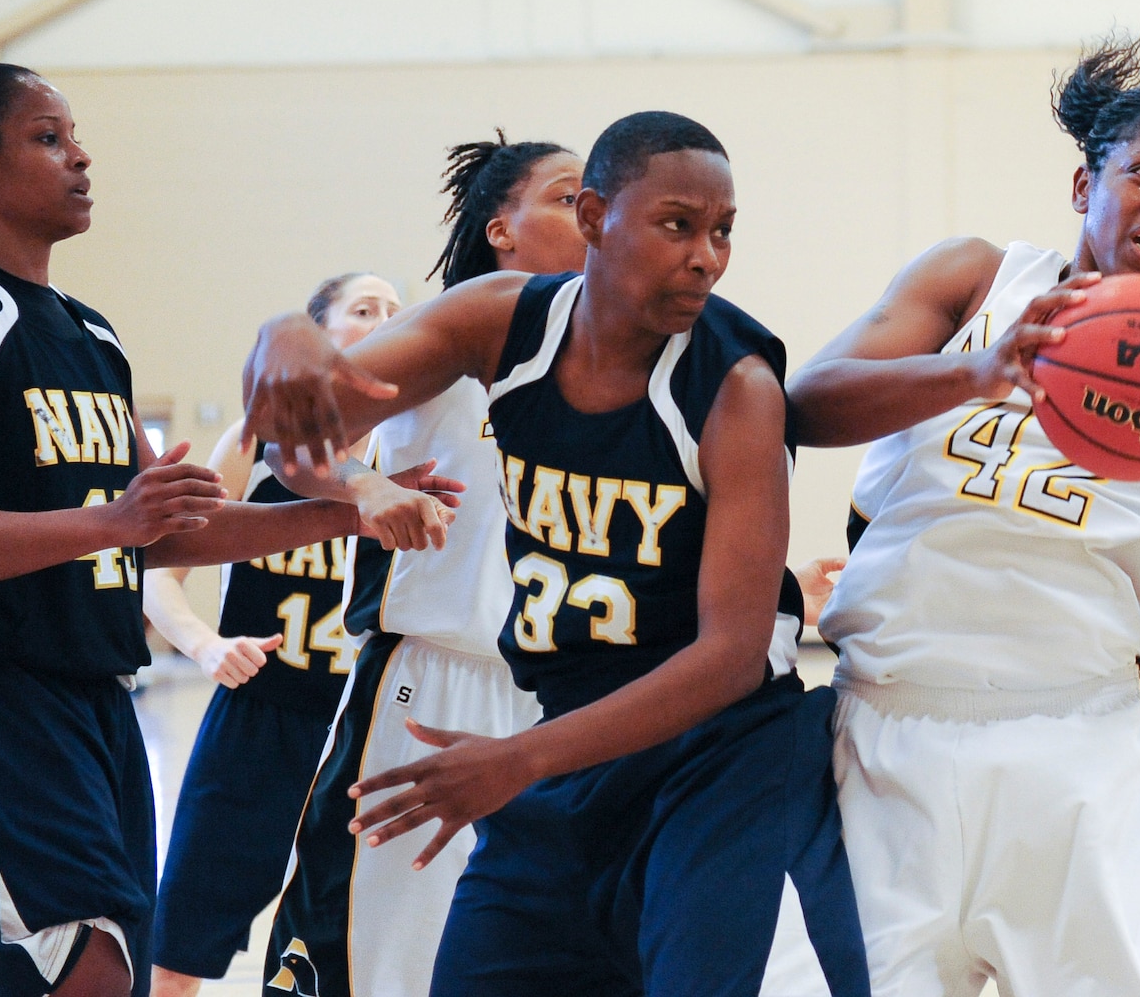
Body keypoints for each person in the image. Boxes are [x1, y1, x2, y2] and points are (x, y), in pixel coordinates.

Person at [0, 63, 454, 997]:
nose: (80, 155)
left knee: (115, 972)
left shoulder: (95, 337)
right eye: (48, 138)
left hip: (90, 695)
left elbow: (166, 533)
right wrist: (109, 521)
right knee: (78, 972)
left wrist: (349, 509)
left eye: (75, 134)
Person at [244, 111, 869, 997]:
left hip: (719, 757)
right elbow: (299, 440)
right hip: (567, 738)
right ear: (594, 218)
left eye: (722, 232)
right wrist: (286, 337)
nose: (707, 256)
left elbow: (728, 658)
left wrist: (520, 761)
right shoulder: (498, 322)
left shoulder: (736, 388)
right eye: (678, 225)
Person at [786, 27, 1140, 997]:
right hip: (885, 738)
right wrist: (978, 370)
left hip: (1079, 758)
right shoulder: (976, 281)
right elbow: (803, 403)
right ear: (1086, 186)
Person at [263, 133, 581, 997]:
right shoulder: (447, 338)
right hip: (433, 682)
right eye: (563, 196)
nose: (589, 212)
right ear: (501, 230)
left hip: (572, 703)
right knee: (385, 961)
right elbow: (291, 440)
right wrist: (362, 486)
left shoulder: (621, 359)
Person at [146, 271, 412, 997]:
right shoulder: (257, 440)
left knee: (346, 931)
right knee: (186, 936)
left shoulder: (407, 451)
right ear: (319, 336)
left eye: (396, 310)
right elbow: (157, 569)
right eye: (364, 309)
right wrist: (204, 644)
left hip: (364, 722)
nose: (385, 319)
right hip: (264, 714)